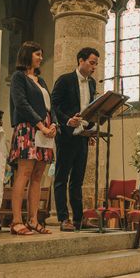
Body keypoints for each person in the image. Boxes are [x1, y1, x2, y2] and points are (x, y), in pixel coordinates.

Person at [8, 41, 57, 235]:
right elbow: (21, 104)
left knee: (38, 176)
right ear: (27, 55)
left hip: (44, 129)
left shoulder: (41, 80)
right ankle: (16, 221)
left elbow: (49, 106)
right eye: (38, 54)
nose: (41, 58)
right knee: (25, 173)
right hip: (28, 127)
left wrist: (52, 125)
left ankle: (33, 220)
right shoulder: (18, 77)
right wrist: (41, 125)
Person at [51, 47, 99, 231]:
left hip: (82, 136)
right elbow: (53, 105)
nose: (94, 67)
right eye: (92, 63)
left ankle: (78, 218)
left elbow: (91, 110)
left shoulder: (92, 83)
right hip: (66, 136)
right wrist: (66, 120)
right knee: (62, 178)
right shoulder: (65, 80)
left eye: (96, 64)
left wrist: (90, 131)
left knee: (78, 179)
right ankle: (63, 218)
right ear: (81, 60)